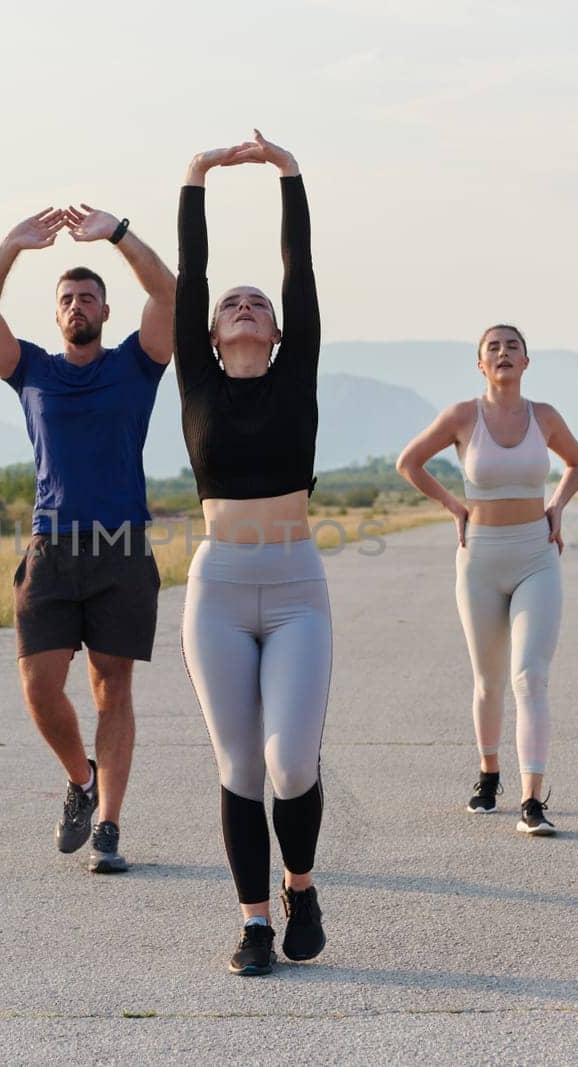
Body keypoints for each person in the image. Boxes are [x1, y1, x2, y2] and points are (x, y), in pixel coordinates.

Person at [0, 201, 175, 874]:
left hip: (121, 549)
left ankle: (108, 824)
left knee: (113, 688)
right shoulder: (31, 370)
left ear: (106, 312)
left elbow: (170, 293)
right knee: (39, 685)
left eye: (88, 296)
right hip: (52, 548)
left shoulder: (138, 365)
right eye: (67, 298)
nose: (77, 304)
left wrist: (115, 233)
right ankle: (80, 779)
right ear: (56, 315)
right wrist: (12, 245)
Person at [176, 131, 330, 977]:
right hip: (221, 586)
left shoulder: (296, 370)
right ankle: (254, 923)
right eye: (231, 303)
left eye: (256, 304)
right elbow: (190, 273)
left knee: (291, 760)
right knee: (239, 763)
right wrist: (194, 178)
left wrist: (288, 172)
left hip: (298, 584)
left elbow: (297, 267)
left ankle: (301, 883)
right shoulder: (195, 382)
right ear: (209, 331)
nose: (244, 304)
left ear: (274, 332)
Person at [396, 325, 578, 834]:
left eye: (513, 346)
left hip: (536, 556)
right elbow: (409, 463)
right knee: (488, 680)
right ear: (481, 365)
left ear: (527, 362)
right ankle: (488, 772)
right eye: (493, 348)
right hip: (479, 557)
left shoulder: (543, 417)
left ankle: (532, 801)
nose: (504, 353)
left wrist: (557, 508)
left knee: (530, 674)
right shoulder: (462, 416)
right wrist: (453, 507)